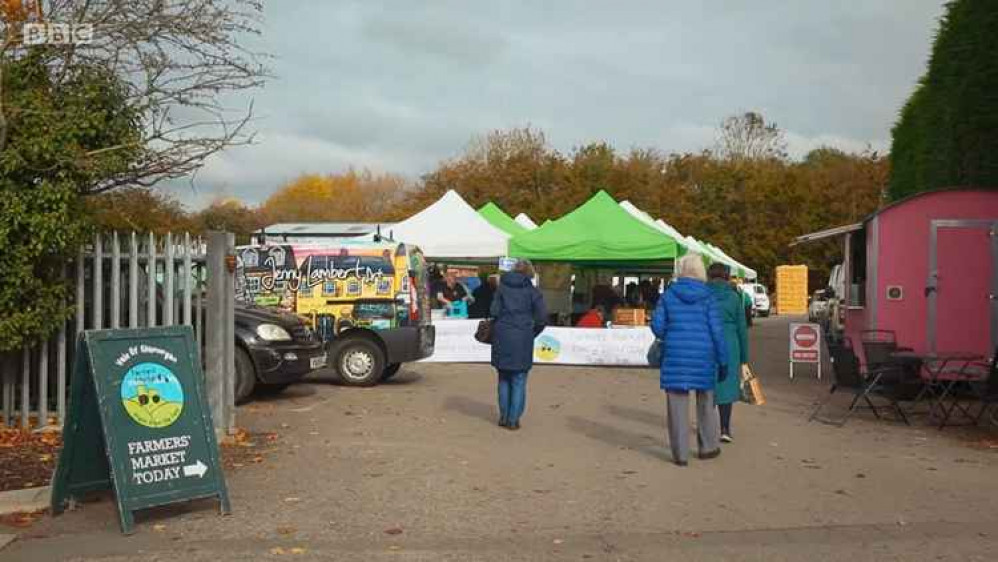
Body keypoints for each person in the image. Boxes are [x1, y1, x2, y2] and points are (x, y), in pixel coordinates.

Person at [650, 253, 728, 466]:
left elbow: (657, 326)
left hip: (675, 355)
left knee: (677, 407)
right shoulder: (709, 296)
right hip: (704, 356)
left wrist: (670, 333)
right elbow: (717, 331)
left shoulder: (668, 295)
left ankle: (681, 454)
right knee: (705, 403)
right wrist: (723, 360)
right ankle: (708, 447)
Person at [490, 259, 547, 430]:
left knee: (503, 378)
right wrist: (531, 332)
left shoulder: (501, 289)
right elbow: (542, 317)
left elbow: (493, 311)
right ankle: (513, 420)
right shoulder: (533, 292)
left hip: (502, 335)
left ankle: (504, 416)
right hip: (523, 337)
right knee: (519, 379)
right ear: (530, 272)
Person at [707, 264, 749, 443]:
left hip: (707, 342)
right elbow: (742, 329)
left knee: (707, 385)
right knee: (726, 385)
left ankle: (706, 424)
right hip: (730, 344)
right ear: (726, 276)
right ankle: (725, 428)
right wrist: (744, 359)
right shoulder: (734, 298)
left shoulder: (703, 295)